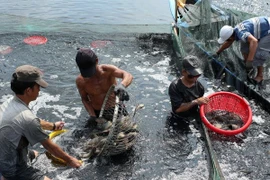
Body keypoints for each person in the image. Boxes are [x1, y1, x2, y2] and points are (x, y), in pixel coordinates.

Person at [0, 65, 82, 180]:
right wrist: (71, 160)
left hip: (7, 153)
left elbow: (33, 122)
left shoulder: (11, 103)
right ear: (28, 90)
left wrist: (53, 126)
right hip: (12, 167)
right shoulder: (27, 118)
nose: (39, 90)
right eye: (38, 86)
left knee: (36, 154)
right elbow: (49, 146)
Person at [75, 48, 133, 127]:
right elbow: (85, 99)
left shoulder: (107, 70)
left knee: (129, 133)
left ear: (96, 61)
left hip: (116, 108)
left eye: (90, 70)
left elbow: (127, 75)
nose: (89, 75)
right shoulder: (80, 81)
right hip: (98, 113)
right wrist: (92, 116)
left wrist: (122, 86)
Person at [216, 16, 270, 85]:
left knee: (258, 53)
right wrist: (217, 52)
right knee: (244, 46)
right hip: (264, 26)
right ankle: (249, 67)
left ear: (230, 37)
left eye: (227, 39)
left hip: (268, 30)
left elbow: (254, 41)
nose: (227, 41)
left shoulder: (241, 32)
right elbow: (228, 42)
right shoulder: (235, 31)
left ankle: (260, 76)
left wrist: (249, 60)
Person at [168, 55, 209, 123]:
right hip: (179, 118)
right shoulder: (175, 86)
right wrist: (196, 101)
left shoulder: (200, 87)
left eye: (197, 75)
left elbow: (200, 102)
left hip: (193, 115)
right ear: (184, 72)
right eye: (191, 76)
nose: (195, 78)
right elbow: (178, 109)